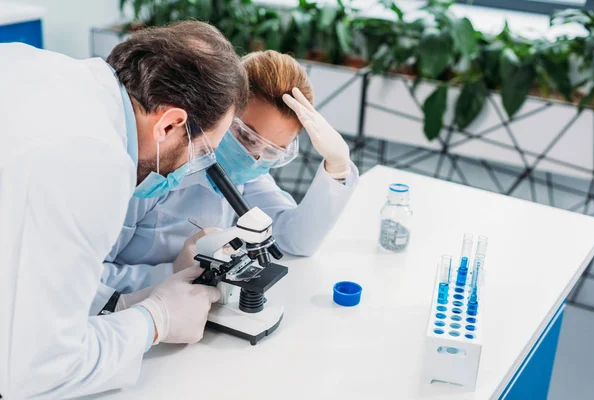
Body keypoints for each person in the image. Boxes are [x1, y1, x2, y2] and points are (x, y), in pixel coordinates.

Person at [0, 21, 248, 399]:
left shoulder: (41, 68)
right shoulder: (94, 162)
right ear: (170, 124)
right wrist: (154, 320)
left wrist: (124, 300)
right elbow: (38, 373)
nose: (186, 173)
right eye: (201, 153)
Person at [93, 50, 360, 313]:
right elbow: (81, 278)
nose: (253, 159)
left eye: (271, 152)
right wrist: (170, 273)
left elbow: (297, 240)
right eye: (247, 137)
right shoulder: (155, 173)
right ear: (222, 111)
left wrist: (337, 167)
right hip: (120, 321)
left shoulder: (246, 174)